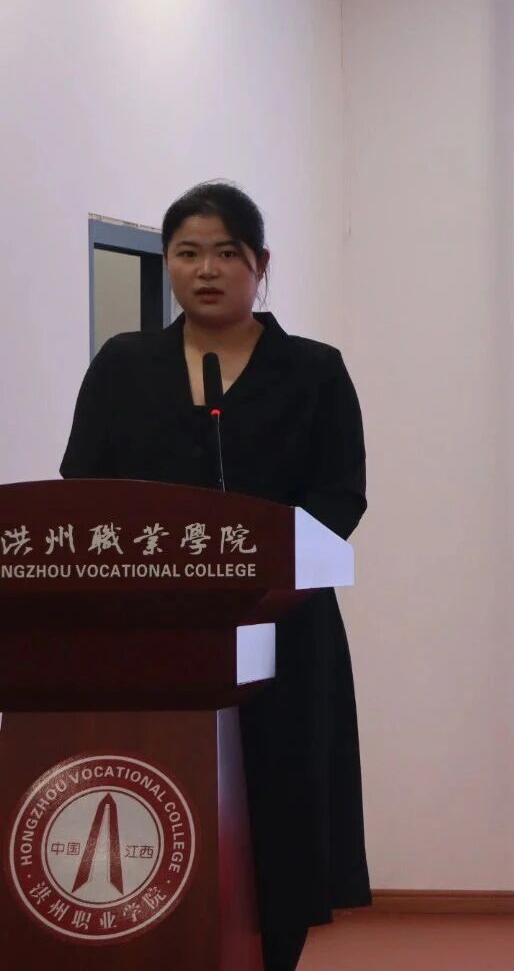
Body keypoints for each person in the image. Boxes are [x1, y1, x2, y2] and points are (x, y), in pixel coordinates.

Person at [60, 181, 371, 970]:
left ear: (260, 264)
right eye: (188, 253)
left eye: (226, 253)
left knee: (281, 810)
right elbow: (83, 483)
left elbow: (341, 495)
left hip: (283, 629)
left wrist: (268, 568)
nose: (206, 270)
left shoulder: (313, 370)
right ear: (167, 262)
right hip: (153, 635)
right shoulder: (124, 365)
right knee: (171, 798)